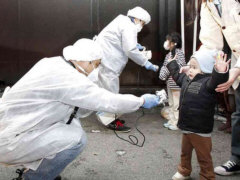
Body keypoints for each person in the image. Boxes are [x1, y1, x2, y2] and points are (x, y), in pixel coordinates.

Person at [0, 38, 161, 180]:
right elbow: (107, 101)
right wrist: (141, 101)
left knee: (72, 124)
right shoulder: (69, 79)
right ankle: (34, 178)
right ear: (85, 60)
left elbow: (78, 110)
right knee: (77, 140)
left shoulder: (53, 63)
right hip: (12, 137)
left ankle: (40, 170)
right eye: (96, 64)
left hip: (14, 125)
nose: (96, 70)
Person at [93, 6, 159, 132]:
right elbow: (130, 50)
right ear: (138, 19)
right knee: (110, 92)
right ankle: (110, 120)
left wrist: (135, 45)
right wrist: (146, 62)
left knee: (107, 91)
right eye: (143, 23)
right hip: (109, 63)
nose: (142, 26)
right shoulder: (129, 26)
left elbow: (121, 42)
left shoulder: (121, 20)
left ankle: (111, 116)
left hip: (106, 60)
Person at [167, 49, 229, 180]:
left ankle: (207, 176)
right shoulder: (186, 79)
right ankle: (184, 171)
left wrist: (220, 71)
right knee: (185, 152)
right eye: (190, 66)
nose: (190, 70)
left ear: (205, 69)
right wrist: (172, 64)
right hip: (186, 126)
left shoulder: (208, 83)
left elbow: (217, 80)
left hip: (200, 130)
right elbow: (177, 76)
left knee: (204, 156)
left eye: (194, 67)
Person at [197, 0, 240, 176]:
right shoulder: (208, 4)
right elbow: (210, 43)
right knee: (239, 114)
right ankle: (237, 158)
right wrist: (194, 64)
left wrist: (236, 70)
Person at [159, 32, 186, 131]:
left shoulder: (178, 53)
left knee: (176, 104)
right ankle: (172, 120)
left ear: (174, 43)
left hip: (176, 83)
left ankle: (177, 123)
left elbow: (173, 67)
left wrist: (162, 75)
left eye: (168, 40)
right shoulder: (170, 53)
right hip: (171, 82)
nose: (166, 42)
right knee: (171, 103)